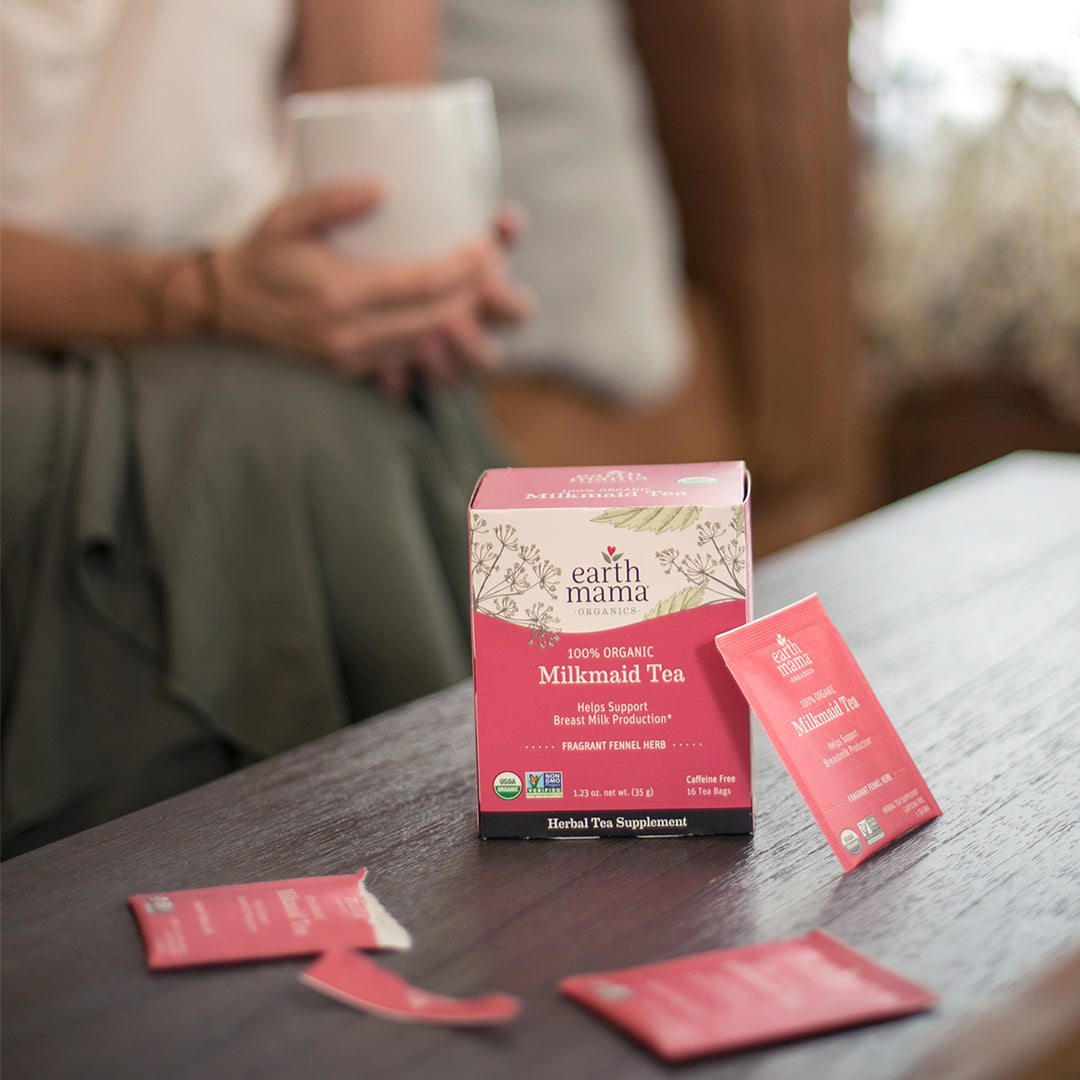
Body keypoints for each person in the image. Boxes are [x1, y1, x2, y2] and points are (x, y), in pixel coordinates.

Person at [0, 0, 533, 855]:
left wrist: (415, 279)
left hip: (271, 324)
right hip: (52, 341)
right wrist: (205, 293)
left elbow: (374, 151)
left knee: (339, 419)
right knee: (285, 442)